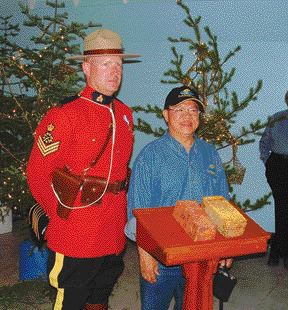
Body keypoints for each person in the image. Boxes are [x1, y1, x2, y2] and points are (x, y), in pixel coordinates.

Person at [26, 29, 140, 310]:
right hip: (76, 232)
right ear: (86, 67)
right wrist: (60, 214)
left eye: (118, 65)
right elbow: (37, 173)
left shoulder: (125, 114)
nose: (114, 72)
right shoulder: (64, 115)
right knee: (72, 300)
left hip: (112, 231)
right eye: (105, 63)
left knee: (99, 298)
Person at [125, 85, 232, 310]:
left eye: (193, 110)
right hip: (162, 256)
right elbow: (138, 212)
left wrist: (226, 248)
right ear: (166, 115)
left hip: (201, 254)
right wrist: (145, 255)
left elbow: (223, 204)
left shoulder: (210, 153)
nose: (187, 116)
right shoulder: (150, 157)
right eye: (179, 110)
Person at [259, 90, 288, 269]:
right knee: (282, 206)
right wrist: (267, 161)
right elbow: (264, 142)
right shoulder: (277, 118)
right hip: (278, 165)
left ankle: (278, 251)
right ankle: (280, 252)